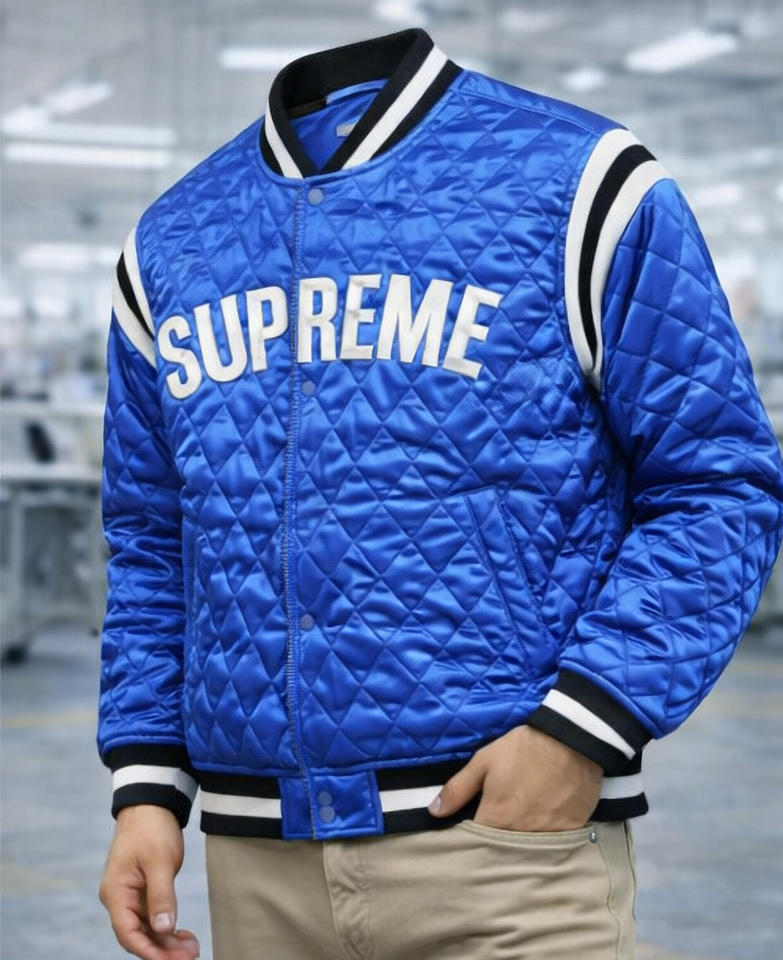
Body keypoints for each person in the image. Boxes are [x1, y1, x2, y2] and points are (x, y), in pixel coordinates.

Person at [97, 27, 783, 960]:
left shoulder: (581, 180)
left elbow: (719, 481)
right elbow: (151, 540)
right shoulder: (172, 238)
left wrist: (580, 731)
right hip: (254, 857)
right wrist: (145, 788)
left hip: (504, 843)